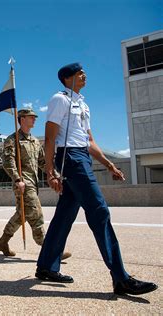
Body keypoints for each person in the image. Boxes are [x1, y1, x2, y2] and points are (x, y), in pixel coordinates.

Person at [35, 63, 158, 296]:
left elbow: (89, 141)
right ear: (67, 78)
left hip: (81, 156)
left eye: (84, 72)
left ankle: (46, 267)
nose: (84, 75)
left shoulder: (83, 104)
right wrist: (50, 171)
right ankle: (121, 278)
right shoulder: (60, 100)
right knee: (99, 211)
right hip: (70, 157)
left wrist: (110, 165)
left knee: (64, 215)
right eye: (79, 72)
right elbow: (50, 138)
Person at [0, 109, 71, 259]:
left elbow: (43, 162)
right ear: (22, 119)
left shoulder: (35, 141)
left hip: (33, 183)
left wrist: (53, 174)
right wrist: (17, 179)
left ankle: (2, 242)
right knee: (36, 214)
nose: (34, 119)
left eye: (34, 117)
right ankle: (50, 250)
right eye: (31, 117)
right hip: (23, 183)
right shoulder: (13, 139)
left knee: (22, 215)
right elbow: (8, 161)